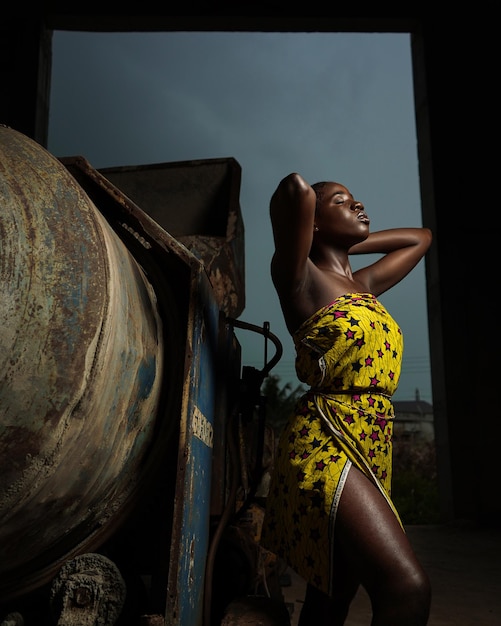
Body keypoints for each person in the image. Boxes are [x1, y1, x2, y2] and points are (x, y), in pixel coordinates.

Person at [260, 172, 432, 625]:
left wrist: (346, 241)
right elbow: (294, 189)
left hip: (373, 446)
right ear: (313, 223)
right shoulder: (299, 278)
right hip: (325, 443)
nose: (358, 206)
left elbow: (420, 238)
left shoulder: (365, 287)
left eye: (356, 200)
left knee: (329, 600)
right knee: (406, 589)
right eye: (342, 201)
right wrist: (316, 234)